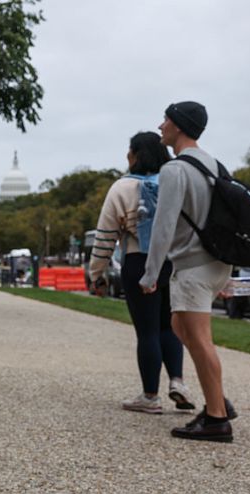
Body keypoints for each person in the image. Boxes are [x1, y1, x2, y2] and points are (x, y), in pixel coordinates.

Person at [139, 101, 237, 442]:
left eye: (165, 119)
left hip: (193, 266)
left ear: (179, 125)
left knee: (199, 338)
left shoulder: (175, 170)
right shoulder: (215, 165)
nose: (160, 125)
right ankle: (217, 397)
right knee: (180, 326)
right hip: (215, 262)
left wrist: (150, 274)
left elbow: (163, 226)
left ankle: (216, 419)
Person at [90, 131, 193, 416]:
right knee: (170, 327)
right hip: (172, 263)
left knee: (147, 331)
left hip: (138, 261)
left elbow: (106, 236)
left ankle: (150, 396)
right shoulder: (174, 183)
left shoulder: (122, 188)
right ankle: (178, 382)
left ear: (134, 155)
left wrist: (96, 273)